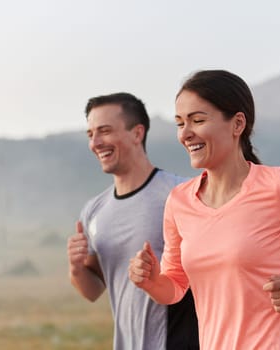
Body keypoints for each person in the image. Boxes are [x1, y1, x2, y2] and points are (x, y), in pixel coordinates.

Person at [128, 70, 280, 349]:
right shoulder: (179, 202)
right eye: (180, 123)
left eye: (198, 120)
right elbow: (175, 286)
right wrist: (151, 280)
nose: (186, 134)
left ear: (237, 123)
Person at [67, 92, 199, 350]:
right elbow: (93, 290)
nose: (95, 142)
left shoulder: (181, 194)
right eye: (90, 134)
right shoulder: (94, 211)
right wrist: (76, 269)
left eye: (104, 131)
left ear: (137, 133)